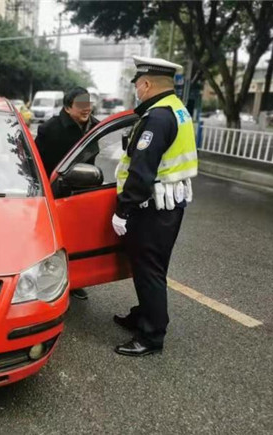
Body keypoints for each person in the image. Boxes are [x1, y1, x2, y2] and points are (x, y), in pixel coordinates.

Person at [111, 56, 198, 357]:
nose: (136, 89)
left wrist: (123, 210)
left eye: (137, 84)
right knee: (148, 267)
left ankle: (151, 336)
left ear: (146, 84)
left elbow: (141, 172)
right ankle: (142, 314)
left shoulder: (158, 117)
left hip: (152, 208)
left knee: (149, 270)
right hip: (168, 204)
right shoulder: (178, 109)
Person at [35, 87, 100, 300]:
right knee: (53, 241)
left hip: (83, 192)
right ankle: (44, 284)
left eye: (88, 103)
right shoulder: (50, 129)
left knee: (78, 239)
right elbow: (37, 164)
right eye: (81, 104)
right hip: (55, 194)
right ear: (67, 107)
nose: (86, 108)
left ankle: (75, 281)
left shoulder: (96, 127)